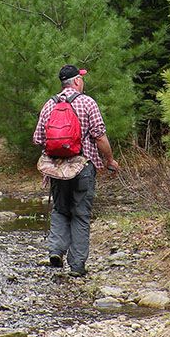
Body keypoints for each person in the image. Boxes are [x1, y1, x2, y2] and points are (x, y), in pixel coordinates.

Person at [33, 64, 119, 278]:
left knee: (60, 210)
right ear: (77, 81)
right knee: (81, 214)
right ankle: (77, 265)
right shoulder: (88, 102)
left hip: (57, 168)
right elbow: (100, 137)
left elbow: (38, 139)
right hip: (83, 166)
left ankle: (56, 251)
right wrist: (109, 160)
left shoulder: (49, 104)